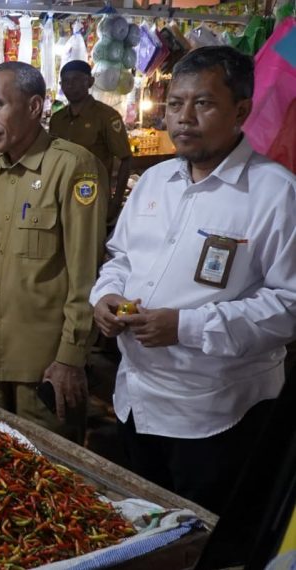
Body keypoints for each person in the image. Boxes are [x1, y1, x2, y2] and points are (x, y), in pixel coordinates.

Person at [89, 46, 296, 514]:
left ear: (241, 110)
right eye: (175, 104)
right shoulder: (156, 181)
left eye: (203, 103)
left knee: (202, 536)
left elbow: (289, 305)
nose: (183, 118)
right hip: (136, 400)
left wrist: (185, 327)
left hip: (216, 414)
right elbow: (120, 257)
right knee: (145, 524)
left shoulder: (275, 194)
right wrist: (106, 296)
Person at [0, 61, 109, 443]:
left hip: (43, 367)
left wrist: (70, 358)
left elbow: (85, 275)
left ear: (34, 107)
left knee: (48, 477)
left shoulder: (73, 167)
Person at [50, 60, 133, 223]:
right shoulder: (57, 119)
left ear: (90, 81)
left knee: (89, 247)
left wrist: (115, 203)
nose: (70, 85)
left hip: (92, 199)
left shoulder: (106, 116)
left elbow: (126, 159)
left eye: (76, 80)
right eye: (65, 81)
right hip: (59, 198)